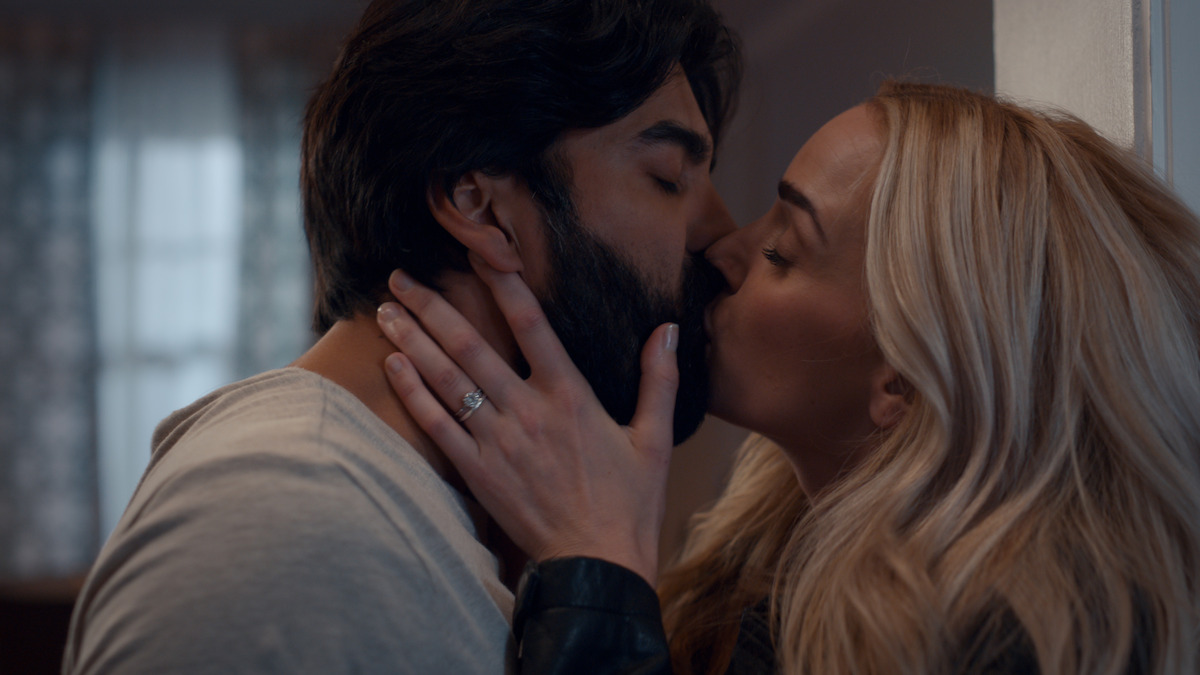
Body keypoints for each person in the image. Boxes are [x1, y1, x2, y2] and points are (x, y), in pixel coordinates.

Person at [375, 81, 1200, 674]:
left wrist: (597, 582)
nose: (723, 250)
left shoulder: (1012, 642)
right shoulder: (766, 580)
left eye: (782, 251)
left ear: (905, 383)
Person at [62, 0, 741, 672]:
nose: (721, 235)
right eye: (668, 177)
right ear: (480, 206)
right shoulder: (287, 526)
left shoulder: (384, 515)